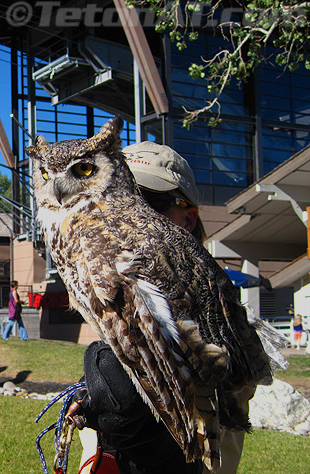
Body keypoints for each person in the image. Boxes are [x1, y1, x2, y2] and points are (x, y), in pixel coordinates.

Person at [76, 142, 247, 474]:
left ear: (187, 218)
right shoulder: (109, 284)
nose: (128, 214)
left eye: (147, 203)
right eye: (115, 199)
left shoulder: (220, 309)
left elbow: (223, 441)